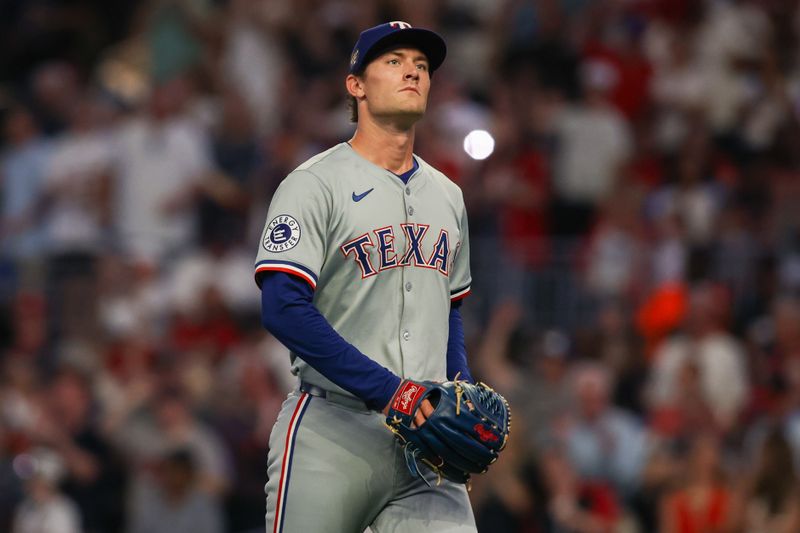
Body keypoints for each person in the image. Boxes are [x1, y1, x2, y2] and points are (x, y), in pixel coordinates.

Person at [255, 21, 476, 532]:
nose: (413, 73)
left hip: (426, 444)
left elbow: (450, 310)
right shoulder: (313, 184)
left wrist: (458, 387)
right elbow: (283, 307)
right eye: (395, 62)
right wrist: (390, 391)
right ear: (356, 85)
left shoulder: (448, 194)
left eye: (421, 66)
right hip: (333, 433)